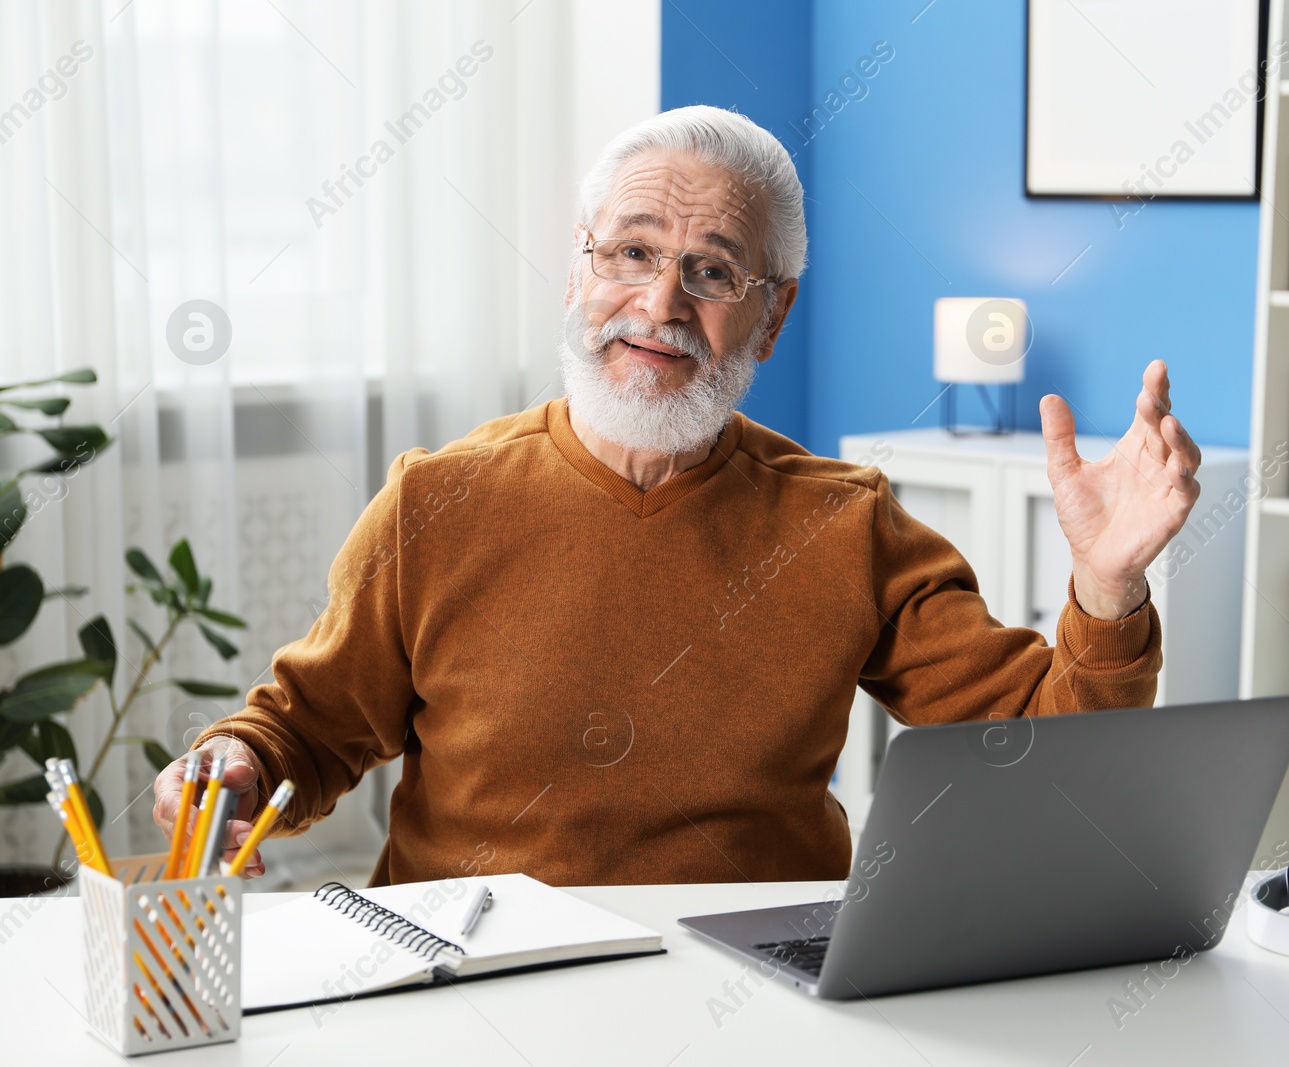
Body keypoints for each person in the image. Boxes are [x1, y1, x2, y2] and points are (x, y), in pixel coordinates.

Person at [152, 105, 1202, 887]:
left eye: (710, 272)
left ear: (771, 315)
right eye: (633, 253)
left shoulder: (845, 522)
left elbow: (1038, 749)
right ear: (577, 274)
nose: (657, 304)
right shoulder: (439, 499)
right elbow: (305, 727)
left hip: (751, 995)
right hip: (470, 986)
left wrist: (1106, 583)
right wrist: (234, 763)